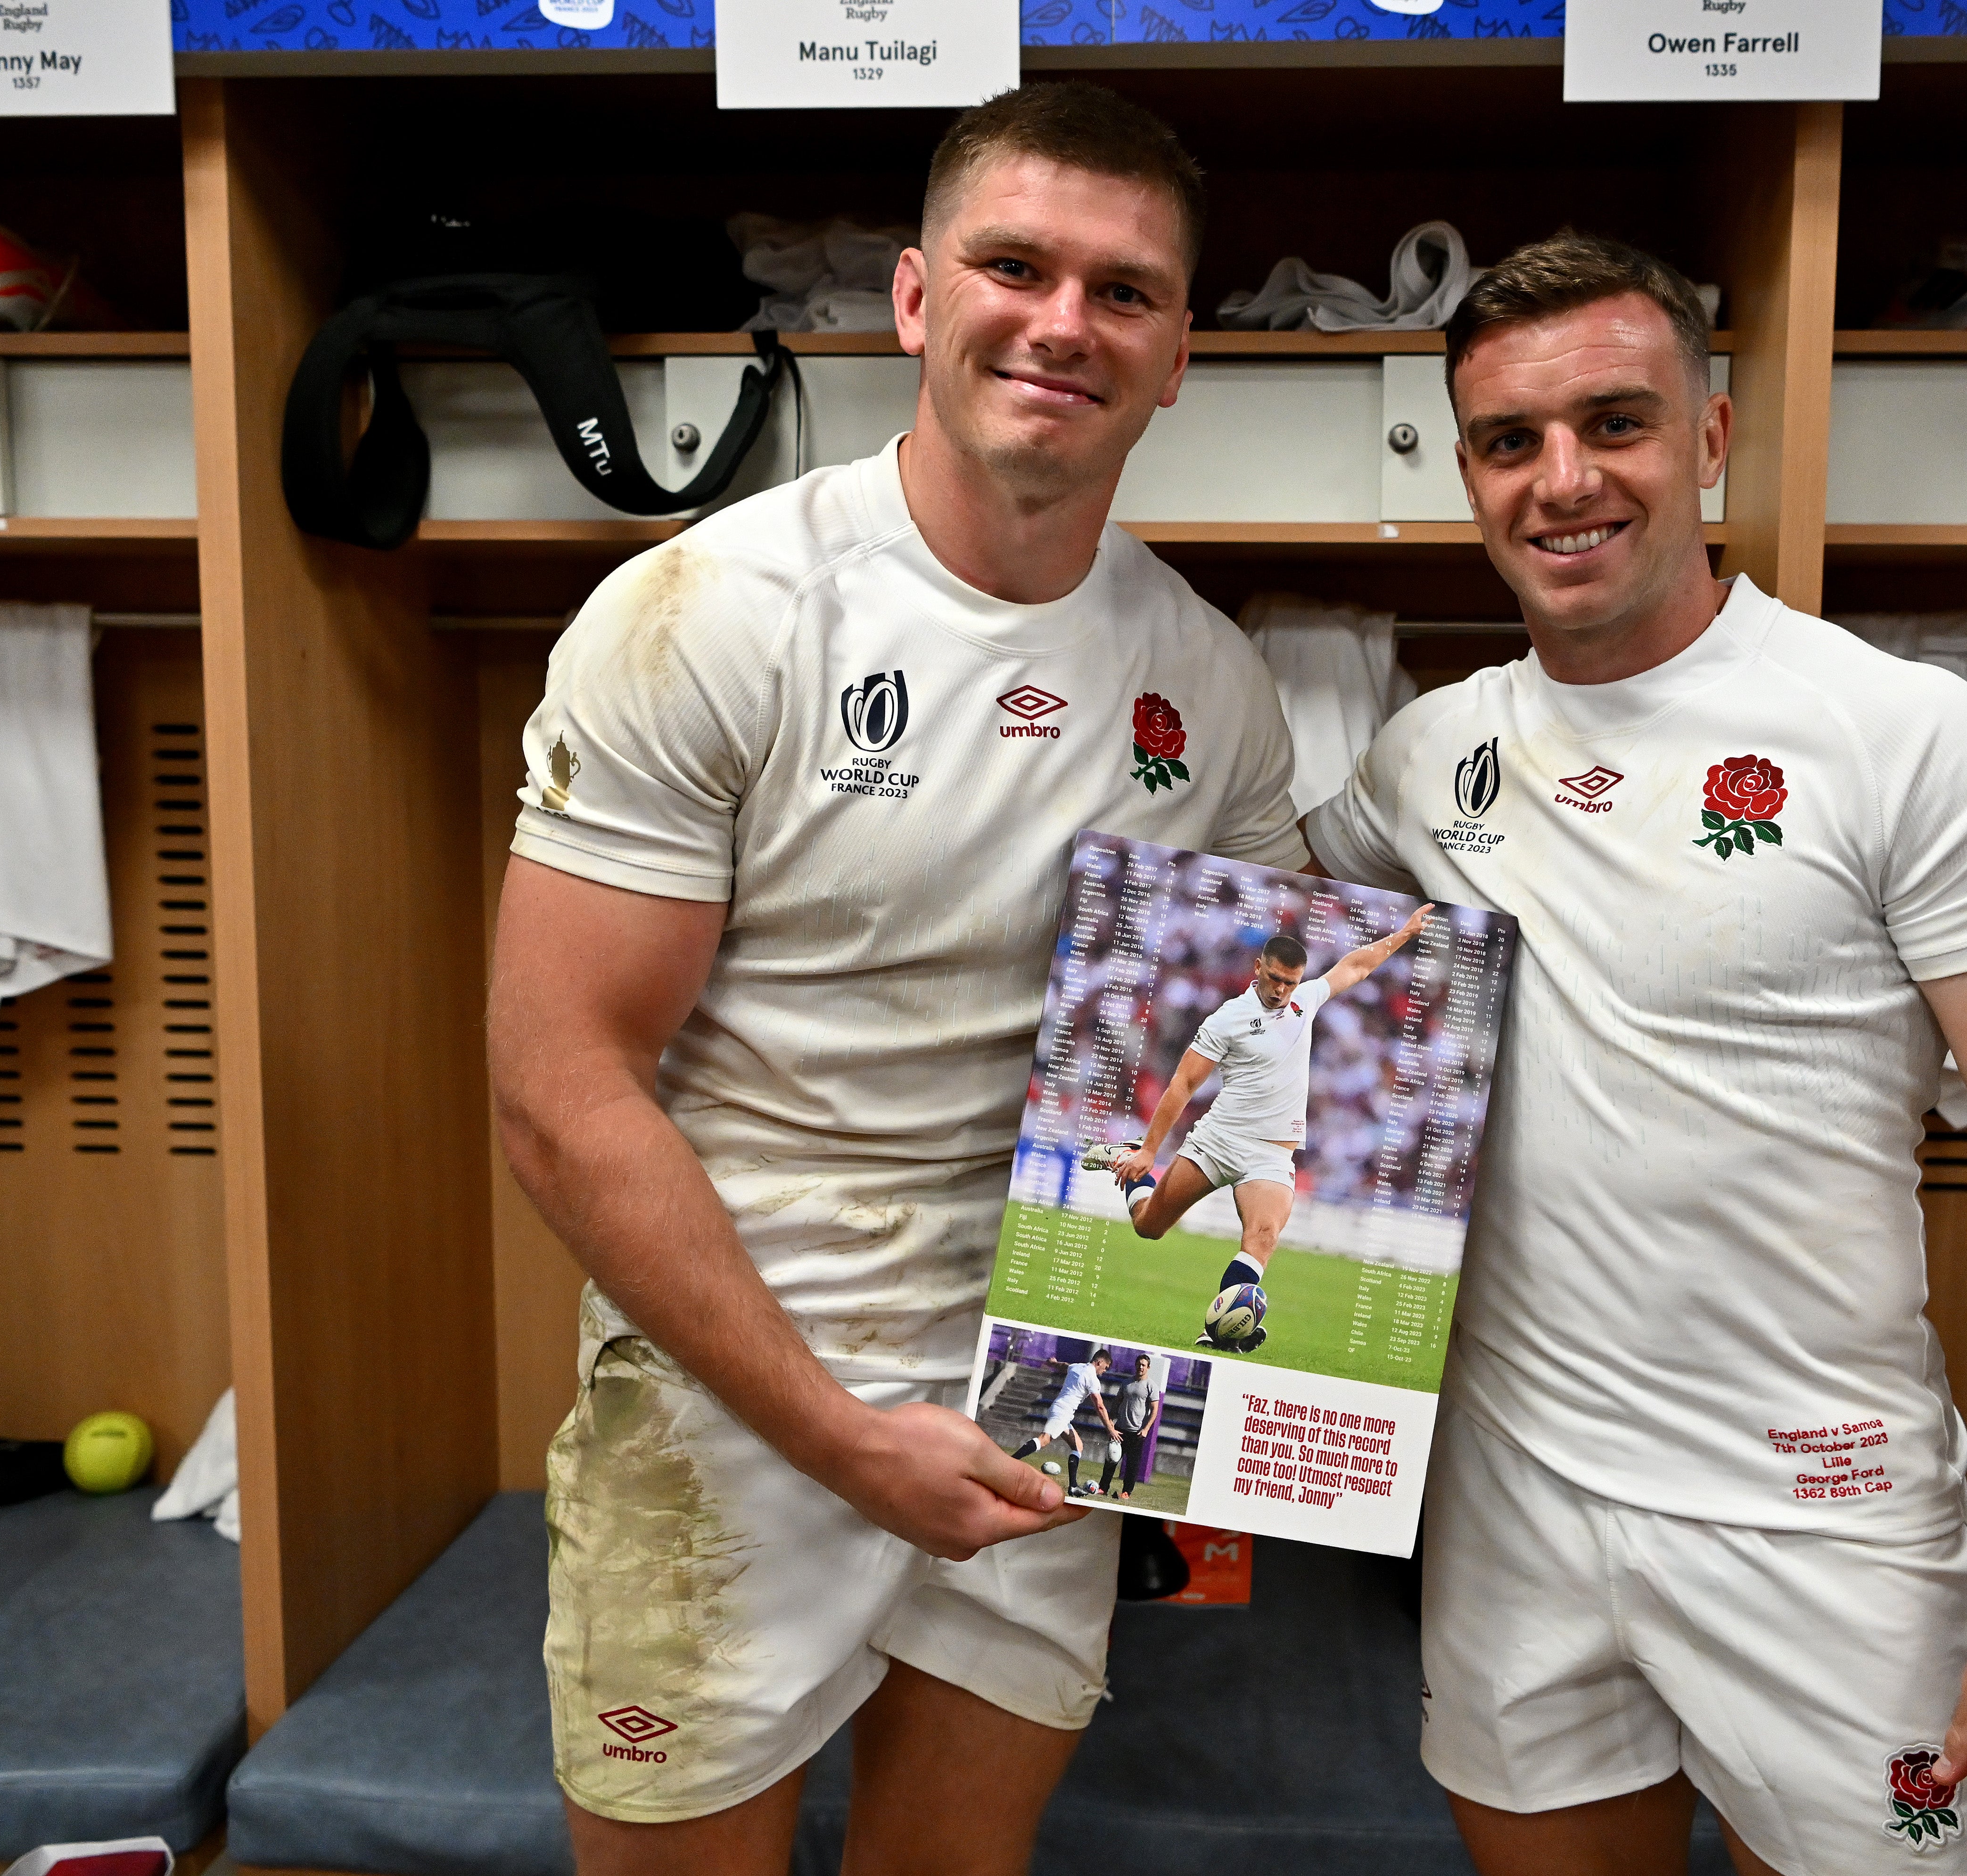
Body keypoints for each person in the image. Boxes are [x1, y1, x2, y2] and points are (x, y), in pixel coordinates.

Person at [486, 83, 1305, 1876]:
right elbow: (559, 1097)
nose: (1061, 322)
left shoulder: (1213, 687)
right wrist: (844, 1436)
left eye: (1124, 291)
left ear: (1179, 353)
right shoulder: (709, 613)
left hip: (1039, 1396)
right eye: (1015, 265)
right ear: (917, 300)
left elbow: (1247, 1046)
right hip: (728, 1400)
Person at [1302, 232, 1967, 1875]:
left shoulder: (1900, 736)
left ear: (1708, 440)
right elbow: (1251, 961)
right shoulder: (1428, 756)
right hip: (1513, 1517)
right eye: (1508, 440)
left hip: (1823, 1526)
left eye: (1614, 423)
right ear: (1466, 467)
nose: (1562, 480)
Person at [1082, 906, 1431, 1350]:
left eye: (1290, 982)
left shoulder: (1304, 1001)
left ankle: (1220, 1334)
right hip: (1218, 1141)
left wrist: (1402, 933)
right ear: (1258, 969)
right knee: (1149, 1227)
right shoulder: (1228, 1018)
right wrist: (1151, 1149)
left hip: (1270, 1154)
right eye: (1275, 980)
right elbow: (1184, 1083)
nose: (1282, 990)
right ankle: (1129, 1154)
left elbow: (1357, 966)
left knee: (1262, 1237)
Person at [1007, 1347, 1119, 1498]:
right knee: (1044, 1440)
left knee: (1078, 1446)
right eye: (1105, 1368)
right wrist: (1110, 1429)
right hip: (1063, 1412)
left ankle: (1073, 1487)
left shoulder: (1077, 1366)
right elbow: (1099, 1406)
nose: (1104, 1372)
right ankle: (1009, 1463)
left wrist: (1053, 1363)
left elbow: (1063, 1366)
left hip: (1061, 1410)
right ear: (1100, 1362)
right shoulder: (1093, 1378)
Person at [1109, 1351, 1168, 1499]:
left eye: (1144, 1365)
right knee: (1111, 1459)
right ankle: (1103, 1488)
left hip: (1137, 1433)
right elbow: (1117, 1402)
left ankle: (1126, 1492)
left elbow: (1155, 1411)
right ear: (1135, 1365)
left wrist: (1146, 1429)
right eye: (1139, 1364)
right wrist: (1111, 1419)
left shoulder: (1152, 1386)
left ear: (1148, 1367)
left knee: (1132, 1466)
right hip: (1120, 1430)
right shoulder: (1126, 1383)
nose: (1141, 1367)